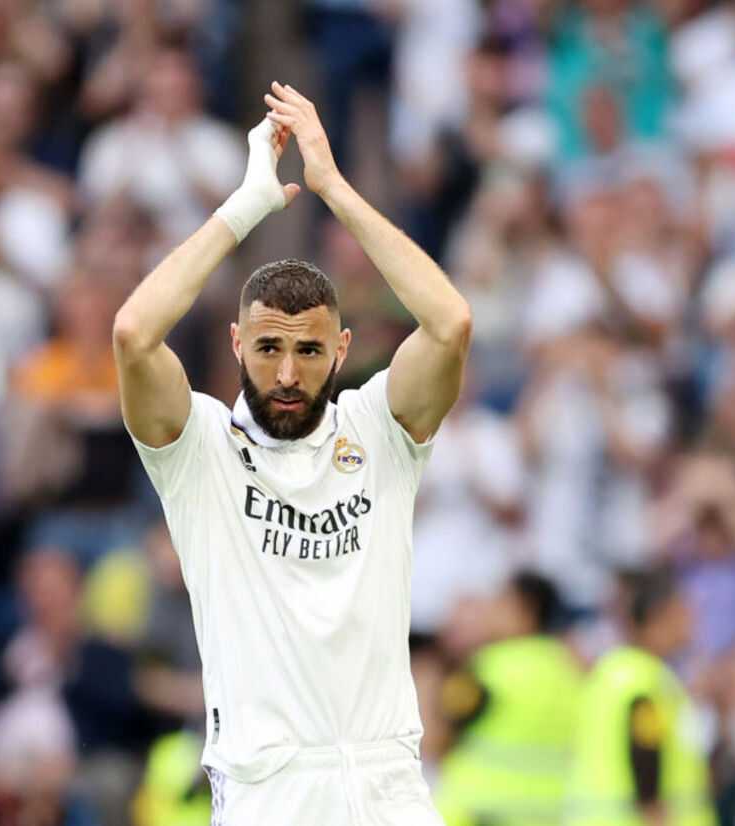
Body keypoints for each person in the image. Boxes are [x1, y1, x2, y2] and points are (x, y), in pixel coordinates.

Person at [113, 82, 472, 825]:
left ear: (341, 350)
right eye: (269, 346)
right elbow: (133, 335)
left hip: (388, 788)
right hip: (269, 794)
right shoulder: (201, 450)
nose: (286, 373)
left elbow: (448, 323)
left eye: (309, 350)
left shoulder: (379, 433)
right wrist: (244, 208)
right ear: (239, 343)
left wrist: (332, 187)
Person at [564, 568, 716, 826]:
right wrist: (653, 812)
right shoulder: (643, 678)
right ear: (659, 618)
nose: (692, 621)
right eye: (682, 612)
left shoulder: (609, 672)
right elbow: (644, 744)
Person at [434, 572, 583, 826]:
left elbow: (439, 734)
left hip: (479, 812)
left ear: (526, 610)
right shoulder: (569, 670)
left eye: (503, 601)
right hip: (545, 814)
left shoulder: (492, 667)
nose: (493, 610)